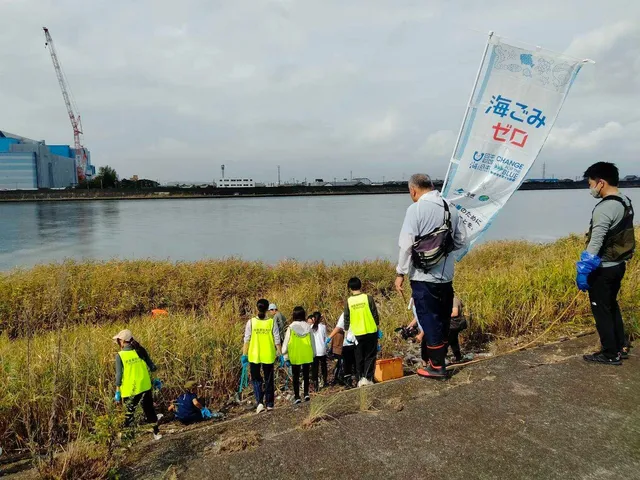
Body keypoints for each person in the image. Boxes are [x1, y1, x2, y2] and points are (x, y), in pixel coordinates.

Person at [395, 174, 466, 379]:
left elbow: (406, 245)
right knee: (443, 318)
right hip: (446, 276)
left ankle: (436, 367)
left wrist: (400, 272)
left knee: (428, 318)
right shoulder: (450, 208)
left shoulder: (415, 209)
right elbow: (461, 241)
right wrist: (444, 252)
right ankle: (439, 361)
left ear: (413, 190)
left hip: (423, 276)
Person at [576, 162, 635, 365]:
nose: (589, 187)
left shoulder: (606, 207)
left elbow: (596, 240)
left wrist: (584, 270)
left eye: (590, 183)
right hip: (618, 265)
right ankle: (621, 346)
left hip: (604, 268)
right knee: (611, 305)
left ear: (601, 182)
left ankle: (610, 354)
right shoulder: (625, 200)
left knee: (601, 308)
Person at [112, 329, 162, 440]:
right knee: (149, 411)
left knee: (129, 415)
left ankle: (128, 439)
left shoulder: (120, 356)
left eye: (118, 340)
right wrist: (156, 379)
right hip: (145, 386)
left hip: (130, 390)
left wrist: (117, 391)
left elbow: (119, 375)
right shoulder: (140, 350)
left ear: (122, 341)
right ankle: (157, 433)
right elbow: (152, 367)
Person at [242, 299, 284, 413]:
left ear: (257, 308)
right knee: (269, 379)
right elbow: (277, 339)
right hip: (268, 354)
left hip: (254, 355)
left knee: (256, 380)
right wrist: (280, 353)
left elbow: (247, 339)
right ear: (267, 309)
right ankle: (269, 404)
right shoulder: (271, 322)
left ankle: (260, 403)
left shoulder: (251, 322)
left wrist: (244, 354)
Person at [343, 277, 381, 386]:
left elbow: (347, 318)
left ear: (350, 288)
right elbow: (375, 314)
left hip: (357, 334)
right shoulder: (368, 298)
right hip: (371, 331)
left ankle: (360, 379)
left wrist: (346, 333)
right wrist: (377, 326)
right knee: (370, 356)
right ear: (361, 285)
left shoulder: (349, 301)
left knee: (359, 357)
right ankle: (368, 378)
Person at [282, 306, 315, 403]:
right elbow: (312, 342)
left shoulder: (291, 327)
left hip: (295, 355)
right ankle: (306, 394)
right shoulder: (308, 327)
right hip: (307, 354)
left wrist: (284, 354)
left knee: (296, 376)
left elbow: (286, 342)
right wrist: (314, 353)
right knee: (306, 375)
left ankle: (297, 396)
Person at [327, 312, 357, 387]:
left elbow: (338, 327)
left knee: (353, 364)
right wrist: (329, 337)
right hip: (349, 342)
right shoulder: (345, 314)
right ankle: (349, 381)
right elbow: (339, 327)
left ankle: (356, 380)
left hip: (356, 342)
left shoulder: (357, 311)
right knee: (348, 364)